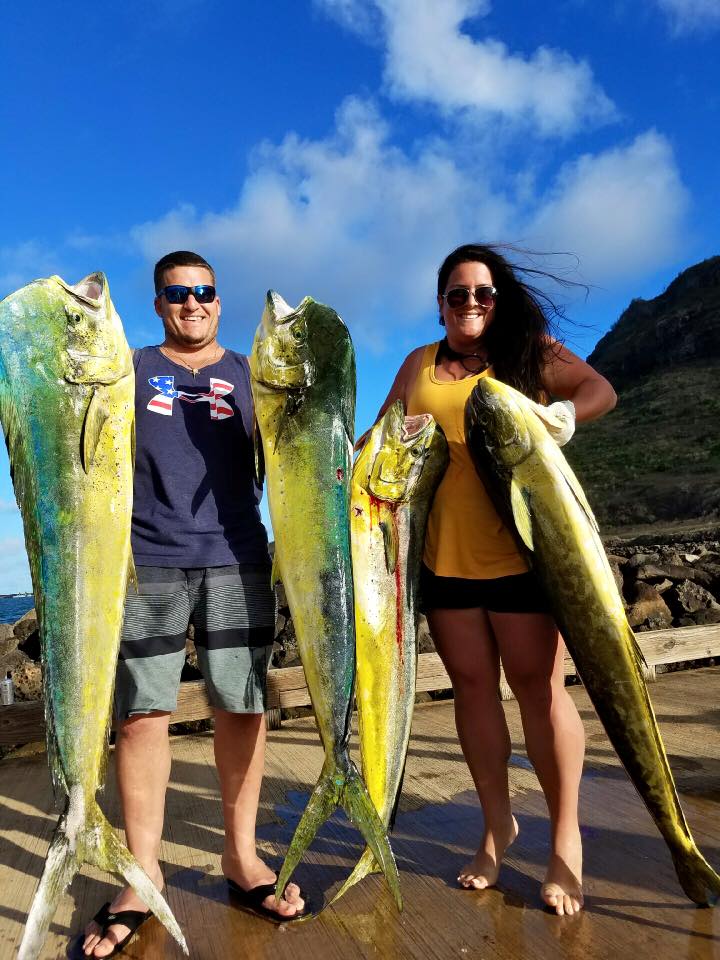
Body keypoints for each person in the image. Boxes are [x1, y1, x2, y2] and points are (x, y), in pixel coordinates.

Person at [373, 243, 616, 917]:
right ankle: (496, 828)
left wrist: (563, 417)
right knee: (474, 690)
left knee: (539, 689)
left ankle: (565, 839)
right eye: (458, 294)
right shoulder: (418, 364)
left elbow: (600, 390)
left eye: (483, 294)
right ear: (440, 302)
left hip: (526, 556)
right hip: (444, 561)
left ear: (497, 301)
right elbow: (378, 438)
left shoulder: (528, 351)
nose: (471, 304)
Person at [82, 251, 305, 958]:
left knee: (242, 707)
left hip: (238, 558)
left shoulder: (251, 374)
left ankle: (241, 857)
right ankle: (142, 872)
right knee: (143, 715)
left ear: (218, 299)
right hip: (144, 561)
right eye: (178, 294)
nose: (193, 303)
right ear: (158, 305)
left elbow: (298, 454)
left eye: (205, 292)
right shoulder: (129, 366)